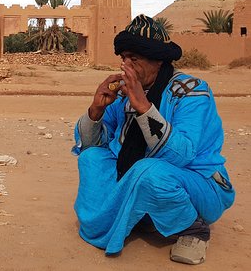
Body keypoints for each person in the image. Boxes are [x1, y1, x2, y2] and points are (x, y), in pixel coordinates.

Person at [72, 15, 235, 265]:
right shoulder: (126, 95)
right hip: (142, 181)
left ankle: (193, 229)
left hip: (199, 186)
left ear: (157, 61)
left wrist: (145, 109)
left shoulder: (191, 92)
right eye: (124, 58)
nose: (126, 66)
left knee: (149, 172)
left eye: (134, 59)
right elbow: (95, 145)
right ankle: (131, 217)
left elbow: (182, 155)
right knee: (92, 159)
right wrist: (97, 110)